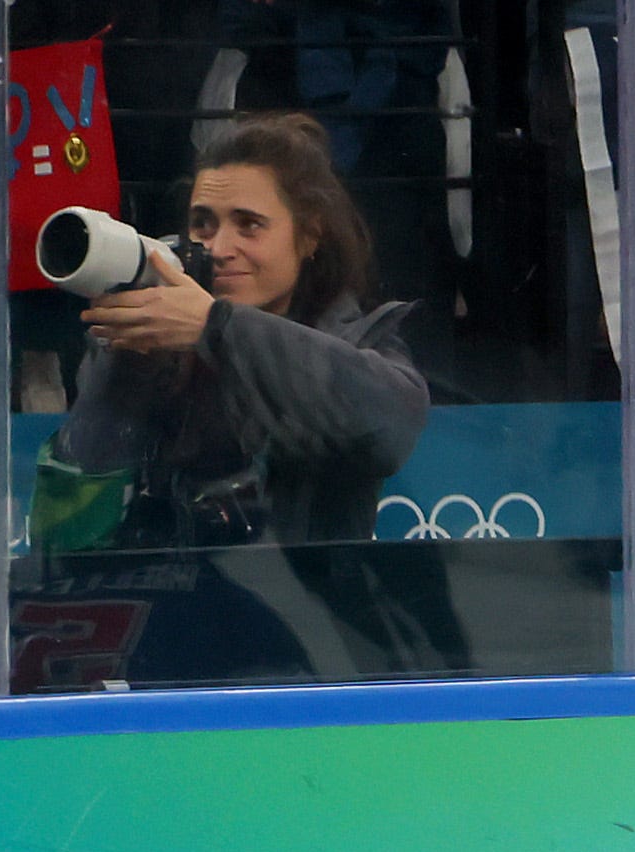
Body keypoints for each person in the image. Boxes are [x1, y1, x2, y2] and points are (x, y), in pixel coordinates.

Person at [30, 112, 430, 554]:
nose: (219, 248)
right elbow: (61, 536)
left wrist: (216, 327)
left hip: (295, 595)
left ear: (309, 235)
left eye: (249, 225)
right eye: (203, 224)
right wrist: (128, 369)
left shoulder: (360, 339)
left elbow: (390, 428)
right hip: (159, 591)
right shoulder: (158, 345)